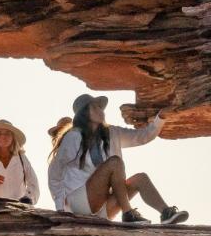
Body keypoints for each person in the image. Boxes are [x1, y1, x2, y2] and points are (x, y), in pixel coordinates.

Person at [48, 93, 189, 226]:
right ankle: (128, 213)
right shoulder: (74, 136)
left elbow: (142, 136)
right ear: (84, 113)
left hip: (103, 209)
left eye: (101, 107)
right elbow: (54, 172)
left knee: (141, 178)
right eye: (95, 107)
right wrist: (60, 207)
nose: (101, 111)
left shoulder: (112, 132)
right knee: (114, 163)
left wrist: (161, 117)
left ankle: (166, 214)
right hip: (79, 204)